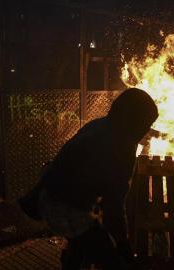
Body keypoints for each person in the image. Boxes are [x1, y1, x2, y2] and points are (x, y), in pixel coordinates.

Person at [19, 88, 158, 270]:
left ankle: (72, 261)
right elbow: (113, 209)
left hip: (49, 198)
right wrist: (123, 246)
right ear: (134, 120)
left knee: (81, 245)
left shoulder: (99, 125)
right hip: (66, 209)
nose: (147, 130)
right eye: (145, 123)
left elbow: (63, 160)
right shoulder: (122, 147)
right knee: (110, 259)